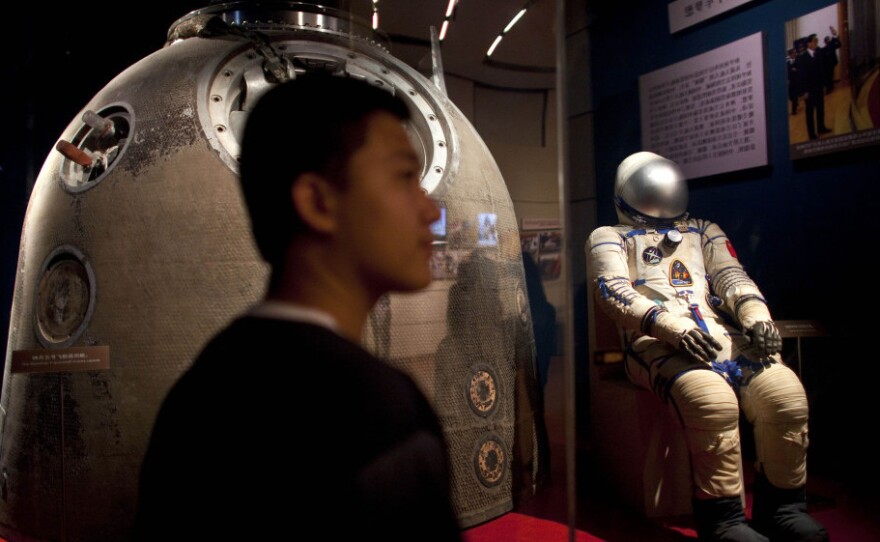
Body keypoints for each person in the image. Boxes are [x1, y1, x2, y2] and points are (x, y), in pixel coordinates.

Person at [133, 74, 460, 541]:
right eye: (405, 177)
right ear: (317, 202)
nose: (431, 212)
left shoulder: (199, 389)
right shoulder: (377, 411)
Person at [587, 152, 827, 542]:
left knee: (785, 396)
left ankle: (783, 509)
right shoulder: (609, 237)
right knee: (711, 401)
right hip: (653, 343)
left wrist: (757, 319)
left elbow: (733, 278)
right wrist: (671, 327)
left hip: (720, 337)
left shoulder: (702, 231)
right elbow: (613, 291)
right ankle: (723, 519)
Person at [796, 34, 832, 140]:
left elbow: (821, 71)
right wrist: (804, 92)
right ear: (809, 43)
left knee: (821, 109)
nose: (816, 42)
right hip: (809, 90)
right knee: (810, 112)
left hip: (819, 88)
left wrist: (824, 85)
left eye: (817, 40)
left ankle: (821, 128)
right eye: (814, 41)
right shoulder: (802, 57)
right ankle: (811, 134)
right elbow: (801, 76)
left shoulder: (818, 53)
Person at [821, 27, 841, 94]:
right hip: (826, 65)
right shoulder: (824, 49)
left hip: (831, 64)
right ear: (825, 42)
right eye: (827, 39)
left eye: (829, 39)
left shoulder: (832, 45)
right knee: (828, 77)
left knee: (831, 76)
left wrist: (834, 35)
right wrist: (834, 35)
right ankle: (829, 88)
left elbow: (839, 44)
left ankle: (830, 87)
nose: (829, 40)